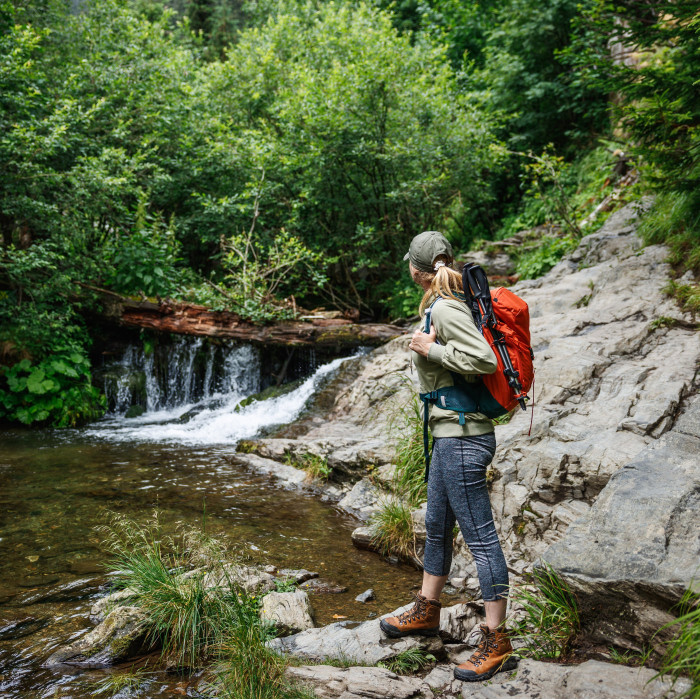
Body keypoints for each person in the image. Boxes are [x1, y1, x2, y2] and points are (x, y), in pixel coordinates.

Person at [379, 230, 517, 682]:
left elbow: (484, 360)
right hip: (448, 436)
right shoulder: (446, 301)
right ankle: (427, 608)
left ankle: (496, 641)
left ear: (417, 270)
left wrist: (429, 347)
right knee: (436, 524)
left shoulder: (445, 307)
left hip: (463, 439)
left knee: (480, 538)